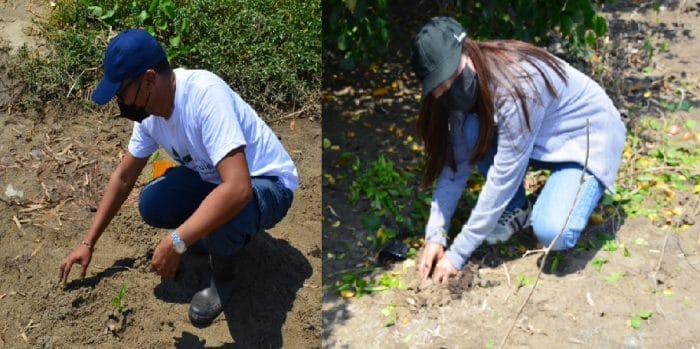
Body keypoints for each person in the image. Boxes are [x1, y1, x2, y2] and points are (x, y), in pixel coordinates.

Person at [58, 29, 299, 327]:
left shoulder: (204, 95)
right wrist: (88, 243)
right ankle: (212, 234)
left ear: (148, 79)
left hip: (267, 183)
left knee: (230, 209)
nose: (120, 102)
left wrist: (176, 242)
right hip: (216, 178)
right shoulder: (150, 115)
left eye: (122, 93)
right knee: (153, 203)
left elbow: (238, 189)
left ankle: (223, 279)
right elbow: (123, 177)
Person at [410, 17, 626, 284]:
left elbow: (503, 177)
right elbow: (455, 167)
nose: (448, 90)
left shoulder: (517, 86)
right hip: (543, 139)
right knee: (469, 132)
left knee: (552, 231)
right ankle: (518, 210)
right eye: (438, 86)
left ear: (467, 50)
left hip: (589, 137)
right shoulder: (459, 93)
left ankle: (584, 184)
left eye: (452, 75)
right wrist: (435, 234)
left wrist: (457, 254)